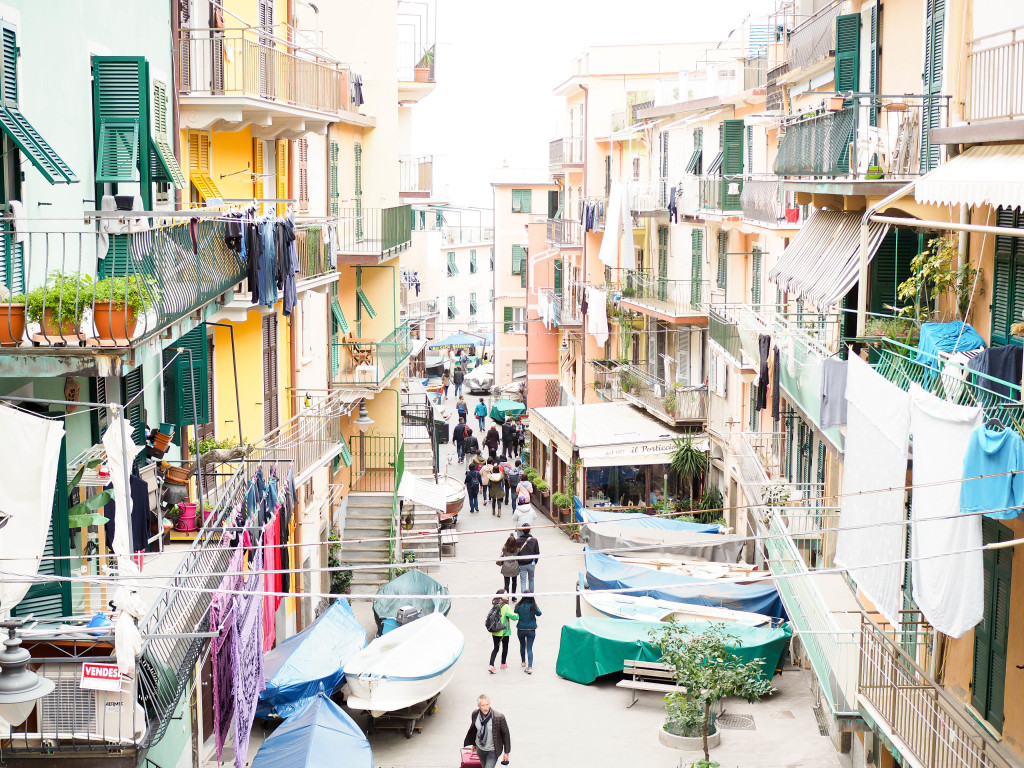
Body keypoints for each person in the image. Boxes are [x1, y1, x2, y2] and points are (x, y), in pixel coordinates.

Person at [464, 695, 511, 768]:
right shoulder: (475, 714)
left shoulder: (498, 717)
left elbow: (506, 735)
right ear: (478, 706)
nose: (485, 708)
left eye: (487, 705)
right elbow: (475, 730)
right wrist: (474, 744)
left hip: (492, 751)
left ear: (489, 704)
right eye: (483, 705)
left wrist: (506, 752)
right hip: (480, 749)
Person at [487, 590, 518, 673]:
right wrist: (518, 614)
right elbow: (514, 617)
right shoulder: (505, 606)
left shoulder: (495, 605)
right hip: (504, 631)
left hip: (495, 631)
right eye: (506, 594)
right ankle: (503, 663)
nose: (507, 595)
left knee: (496, 648)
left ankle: (491, 665)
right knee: (505, 647)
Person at [516, 596, 542, 673]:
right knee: (529, 648)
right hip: (531, 630)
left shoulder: (519, 605)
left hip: (521, 629)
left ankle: (523, 661)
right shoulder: (533, 606)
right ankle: (530, 666)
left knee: (522, 645)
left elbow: (515, 611)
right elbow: (539, 613)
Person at [517, 526, 540, 596]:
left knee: (523, 581)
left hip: (521, 563)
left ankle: (524, 596)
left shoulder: (518, 540)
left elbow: (516, 552)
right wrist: (535, 561)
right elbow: (537, 552)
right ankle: (531, 595)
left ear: (522, 531)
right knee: (531, 579)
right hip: (531, 563)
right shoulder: (534, 540)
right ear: (529, 530)